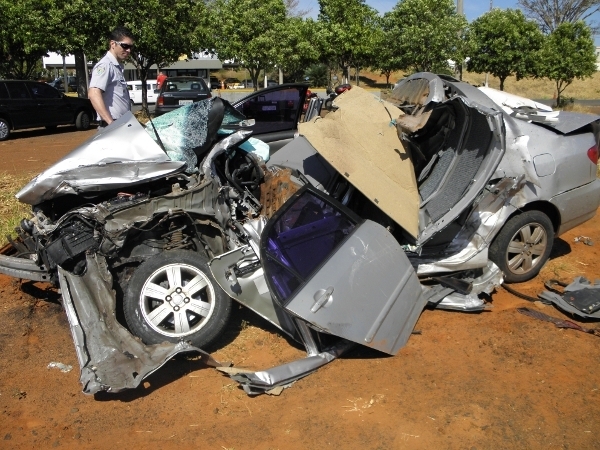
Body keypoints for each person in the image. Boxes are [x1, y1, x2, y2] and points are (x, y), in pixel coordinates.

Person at [88, 26, 134, 128]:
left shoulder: (116, 66)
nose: (128, 50)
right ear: (113, 44)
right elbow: (93, 93)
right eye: (125, 46)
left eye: (131, 47)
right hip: (111, 126)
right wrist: (111, 123)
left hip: (121, 124)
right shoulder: (105, 65)